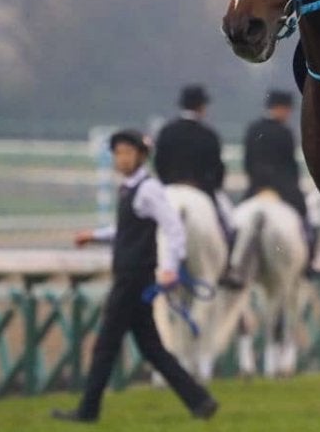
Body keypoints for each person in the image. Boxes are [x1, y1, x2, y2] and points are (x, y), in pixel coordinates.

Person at [52, 130, 218, 423]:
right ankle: (200, 401)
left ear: (140, 156)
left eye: (127, 153)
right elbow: (128, 229)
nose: (122, 159)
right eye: (118, 153)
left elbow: (173, 228)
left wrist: (170, 267)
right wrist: (95, 236)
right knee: (152, 348)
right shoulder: (130, 189)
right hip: (132, 279)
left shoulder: (148, 189)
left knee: (105, 346)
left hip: (132, 280)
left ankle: (88, 411)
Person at [219, 89, 316, 288]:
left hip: (256, 188)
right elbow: (290, 167)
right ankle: (308, 264)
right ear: (281, 108)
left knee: (234, 222)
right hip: (283, 190)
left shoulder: (253, 128)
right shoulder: (285, 132)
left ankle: (230, 265)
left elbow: (248, 162)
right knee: (310, 219)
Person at [154, 84, 235, 243]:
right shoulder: (208, 134)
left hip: (169, 187)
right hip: (201, 188)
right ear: (201, 107)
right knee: (228, 224)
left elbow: (159, 163)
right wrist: (214, 185)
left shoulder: (166, 131)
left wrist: (167, 183)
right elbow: (218, 169)